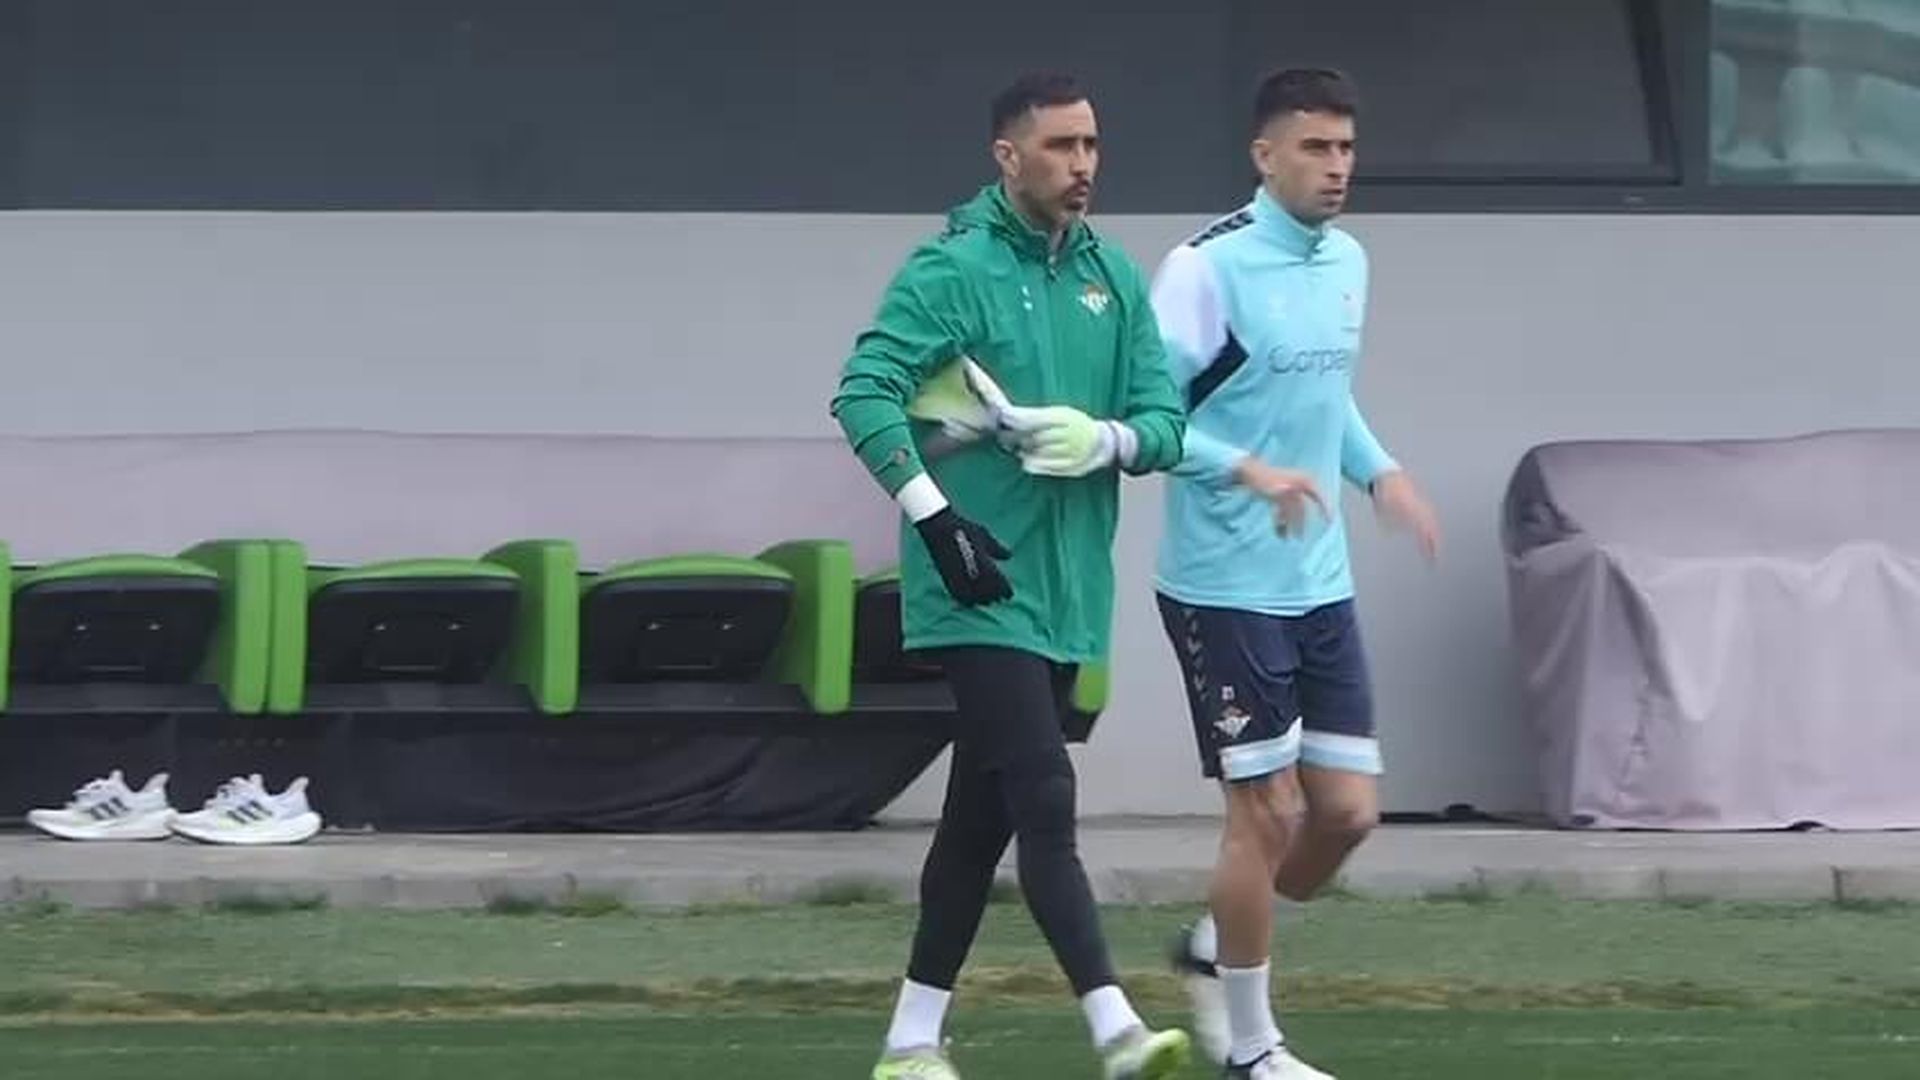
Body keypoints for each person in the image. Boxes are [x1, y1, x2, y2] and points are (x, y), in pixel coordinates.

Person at [830, 72, 1193, 1080]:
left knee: (977, 819)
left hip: (1070, 596)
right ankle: (1115, 1024)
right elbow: (863, 396)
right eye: (1060, 147)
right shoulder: (949, 271)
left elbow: (1167, 426)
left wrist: (1106, 439)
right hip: (976, 586)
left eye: (1091, 145)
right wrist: (937, 520)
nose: (1082, 166)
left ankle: (909, 1042)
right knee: (1043, 790)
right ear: (1007, 157)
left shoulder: (1114, 280)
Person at [1148, 68, 1442, 1079]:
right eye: (1316, 148)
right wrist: (1246, 467)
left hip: (1319, 580)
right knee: (1265, 812)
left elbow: (1328, 401)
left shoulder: (1349, 260)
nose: (1337, 168)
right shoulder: (1201, 269)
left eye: (1347, 149)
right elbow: (1148, 424)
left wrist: (1381, 473)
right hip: (1223, 584)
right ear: (1263, 155)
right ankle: (1252, 1048)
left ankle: (1212, 945)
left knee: (1348, 816)